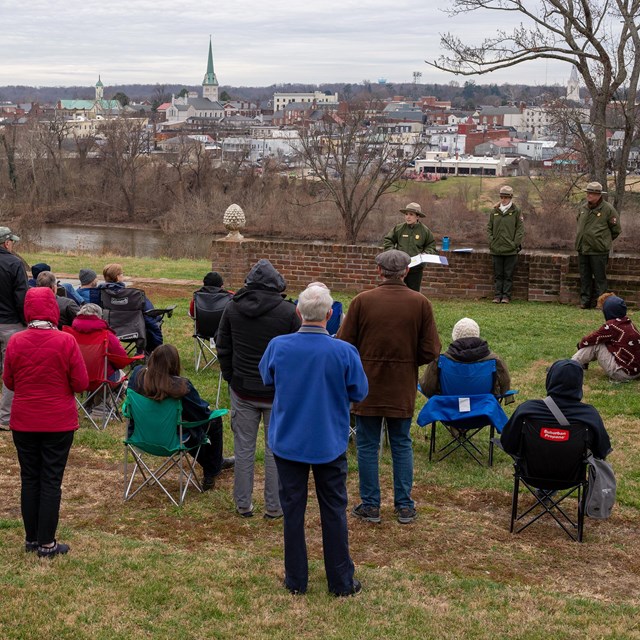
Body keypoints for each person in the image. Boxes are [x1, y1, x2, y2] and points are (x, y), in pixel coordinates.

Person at [259, 284, 368, 597]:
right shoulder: (344, 351)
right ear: (330, 315)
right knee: (333, 509)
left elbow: (267, 378)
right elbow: (359, 392)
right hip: (328, 441)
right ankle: (341, 582)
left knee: (293, 511)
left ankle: (296, 579)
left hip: (289, 440)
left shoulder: (279, 347)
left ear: (298, 312)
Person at [337, 250, 441, 524]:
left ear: (379, 272)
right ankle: (404, 506)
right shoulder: (420, 303)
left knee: (368, 445)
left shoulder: (362, 302)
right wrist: (407, 362)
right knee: (401, 444)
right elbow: (431, 350)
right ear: (406, 271)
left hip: (367, 386)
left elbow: (344, 343)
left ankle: (371, 505)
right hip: (401, 386)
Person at [3, 287, 89, 557]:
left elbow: (9, 381)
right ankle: (46, 543)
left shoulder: (16, 341)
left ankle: (32, 539)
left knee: (30, 478)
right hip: (57, 421)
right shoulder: (65, 341)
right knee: (50, 479)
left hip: (25, 419)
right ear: (53, 308)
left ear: (28, 309)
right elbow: (81, 383)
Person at [217, 259, 301, 518]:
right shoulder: (288, 312)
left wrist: (232, 376)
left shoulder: (233, 308)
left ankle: (244, 504)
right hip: (268, 390)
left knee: (243, 450)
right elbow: (297, 353)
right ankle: (273, 506)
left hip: (248, 389)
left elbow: (222, 346)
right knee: (275, 451)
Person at [127, 344, 228, 490]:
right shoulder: (181, 386)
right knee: (212, 421)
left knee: (187, 426)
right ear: (175, 364)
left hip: (140, 437)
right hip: (173, 440)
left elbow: (128, 404)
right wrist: (208, 409)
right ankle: (212, 470)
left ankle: (215, 463)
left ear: (152, 360)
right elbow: (201, 414)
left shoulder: (137, 375)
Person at [501, 359, 611, 461]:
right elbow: (602, 451)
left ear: (550, 380)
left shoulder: (526, 410)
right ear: (579, 384)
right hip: (573, 477)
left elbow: (508, 444)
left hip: (530, 474)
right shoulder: (589, 415)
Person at [420, 317, 513, 403]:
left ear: (454, 336)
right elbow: (505, 387)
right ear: (477, 335)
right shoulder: (494, 360)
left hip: (450, 410)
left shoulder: (440, 361)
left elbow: (427, 388)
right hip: (484, 410)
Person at [572, 294, 640, 382]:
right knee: (603, 341)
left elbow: (589, 340)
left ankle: (569, 366)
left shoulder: (612, 326)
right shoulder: (629, 323)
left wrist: (580, 345)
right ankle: (580, 363)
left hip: (623, 374)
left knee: (597, 344)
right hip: (636, 372)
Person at [575, 181, 621, 309]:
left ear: (599, 195)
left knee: (600, 278)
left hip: (598, 250)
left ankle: (601, 303)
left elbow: (616, 229)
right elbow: (579, 224)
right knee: (585, 277)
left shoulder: (608, 209)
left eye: (592, 193)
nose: (589, 195)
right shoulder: (583, 208)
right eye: (588, 193)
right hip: (583, 248)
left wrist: (603, 241)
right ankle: (585, 301)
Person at [99, 263, 163, 352]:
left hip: (112, 329)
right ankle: (148, 352)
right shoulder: (134, 295)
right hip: (135, 331)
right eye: (122, 274)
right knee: (152, 321)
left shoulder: (101, 294)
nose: (123, 275)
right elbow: (149, 310)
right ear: (117, 277)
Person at [0, 227, 28, 430]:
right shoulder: (14, 263)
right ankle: (5, 418)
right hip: (10, 324)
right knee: (11, 371)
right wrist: (25, 322)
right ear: (6, 243)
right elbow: (21, 299)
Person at [383, 202, 436, 292]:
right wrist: (393, 253)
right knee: (398, 291)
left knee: (413, 292)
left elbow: (431, 245)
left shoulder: (425, 231)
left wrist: (426, 253)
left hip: (416, 268)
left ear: (418, 216)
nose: (407, 217)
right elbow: (388, 240)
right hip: (399, 267)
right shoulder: (399, 228)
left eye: (411, 214)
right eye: (406, 214)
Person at [70, 303, 130, 382]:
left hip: (77, 379)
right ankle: (118, 392)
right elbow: (122, 361)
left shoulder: (70, 334)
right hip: (102, 379)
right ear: (100, 316)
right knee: (122, 375)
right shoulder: (106, 335)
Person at [487, 185, 524, 304]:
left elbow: (520, 230)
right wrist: (492, 241)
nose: (503, 199)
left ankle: (506, 296)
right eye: (502, 197)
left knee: (508, 275)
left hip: (510, 250)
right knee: (498, 274)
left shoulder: (516, 211)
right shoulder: (494, 211)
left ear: (511, 197)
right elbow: (489, 228)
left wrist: (514, 244)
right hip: (496, 248)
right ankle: (497, 296)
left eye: (506, 197)